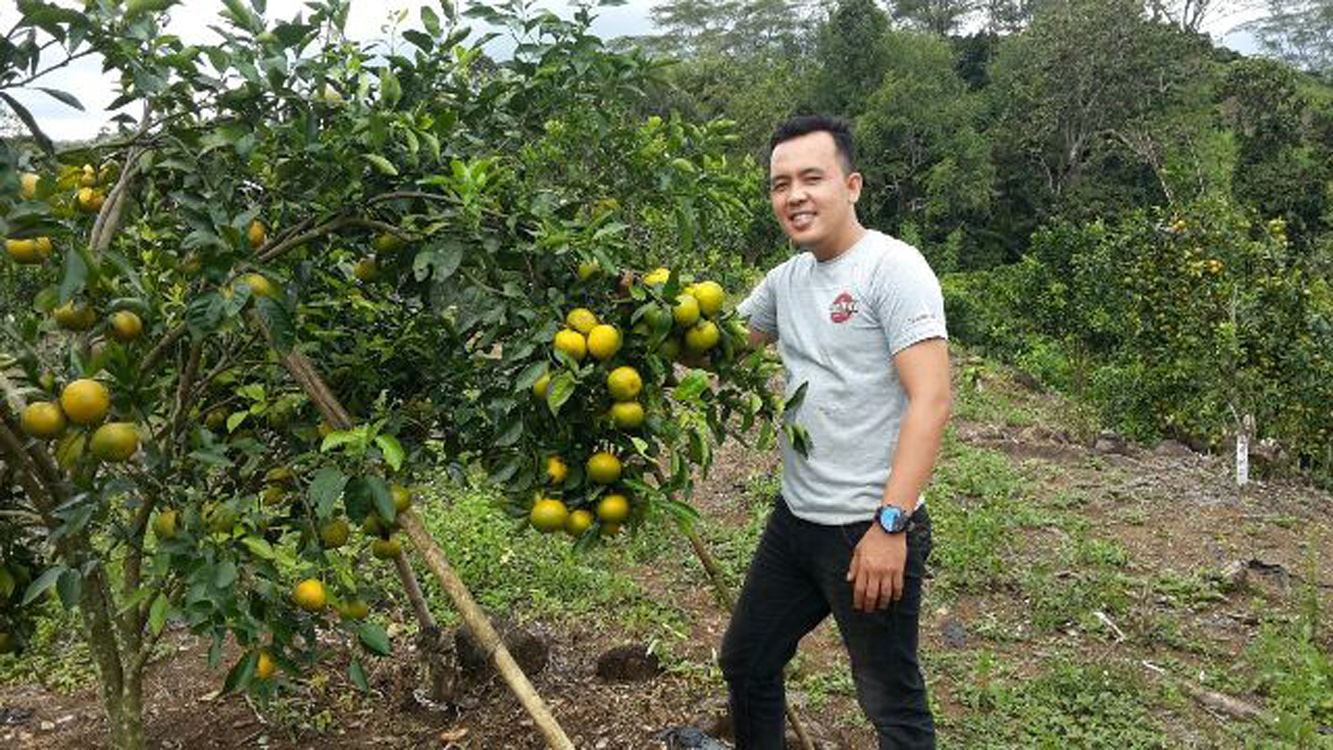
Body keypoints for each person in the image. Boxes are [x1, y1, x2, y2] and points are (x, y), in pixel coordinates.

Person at [720, 114, 952, 749]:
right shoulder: (786, 281)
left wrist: (891, 527)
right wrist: (636, 312)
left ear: (851, 185)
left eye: (811, 178)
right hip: (796, 522)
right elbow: (716, 349)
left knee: (890, 703)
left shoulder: (892, 268)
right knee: (747, 660)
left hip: (868, 528)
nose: (794, 195)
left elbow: (930, 399)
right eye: (779, 183)